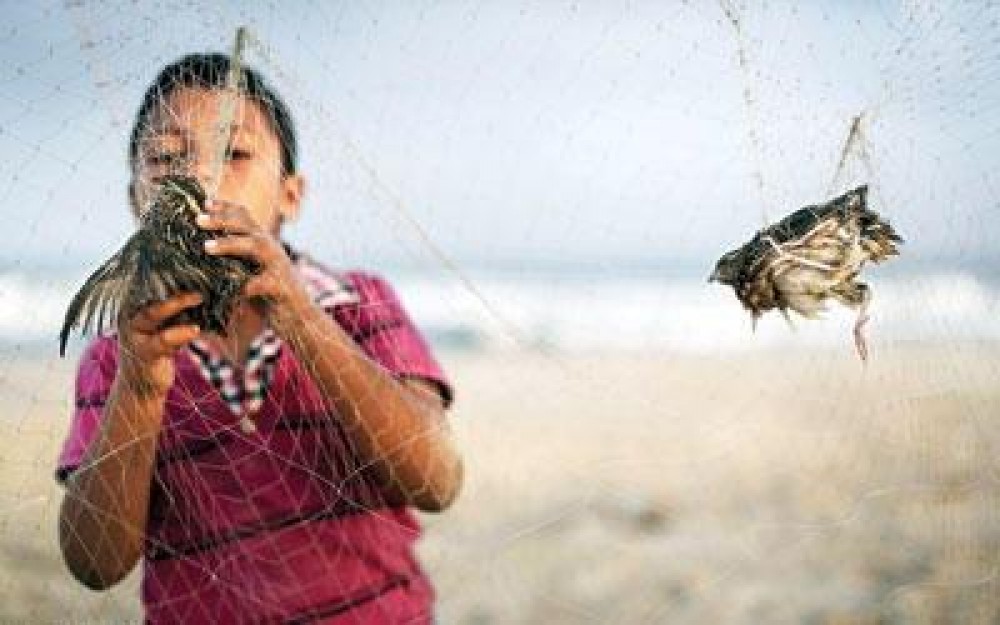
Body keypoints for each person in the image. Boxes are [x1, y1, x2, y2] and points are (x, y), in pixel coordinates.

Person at [55, 52, 463, 624]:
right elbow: (95, 563)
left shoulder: (359, 306)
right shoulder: (117, 356)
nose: (198, 179)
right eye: (166, 158)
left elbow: (437, 482)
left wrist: (300, 316)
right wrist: (141, 387)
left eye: (235, 154)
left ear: (290, 195)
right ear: (135, 201)